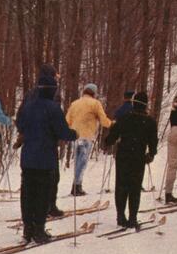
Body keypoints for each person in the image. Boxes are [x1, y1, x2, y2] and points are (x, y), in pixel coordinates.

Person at [16, 73, 78, 242]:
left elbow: (19, 124)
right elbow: (63, 131)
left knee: (27, 194)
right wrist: (74, 134)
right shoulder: (53, 108)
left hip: (28, 157)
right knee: (42, 195)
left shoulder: (28, 106)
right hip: (45, 158)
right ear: (52, 90)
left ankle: (28, 228)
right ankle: (39, 230)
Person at [15, 63, 66, 217]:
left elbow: (20, 115)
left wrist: (24, 132)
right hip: (46, 143)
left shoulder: (30, 93)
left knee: (29, 179)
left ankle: (31, 212)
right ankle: (48, 207)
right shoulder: (53, 94)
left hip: (30, 141)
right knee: (51, 176)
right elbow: (55, 118)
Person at [105, 92, 158, 228]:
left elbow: (111, 137)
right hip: (138, 157)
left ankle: (120, 216)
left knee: (121, 185)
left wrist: (108, 141)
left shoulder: (124, 118)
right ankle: (132, 218)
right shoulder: (150, 122)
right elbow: (153, 141)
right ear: (145, 105)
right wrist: (151, 154)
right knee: (135, 187)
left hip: (123, 155)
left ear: (133, 103)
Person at [65, 83, 113, 196]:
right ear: (94, 93)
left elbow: (67, 120)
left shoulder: (74, 103)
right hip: (86, 136)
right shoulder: (95, 104)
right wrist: (111, 124)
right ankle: (77, 186)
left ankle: (76, 185)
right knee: (82, 163)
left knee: (77, 162)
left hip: (75, 137)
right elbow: (103, 120)